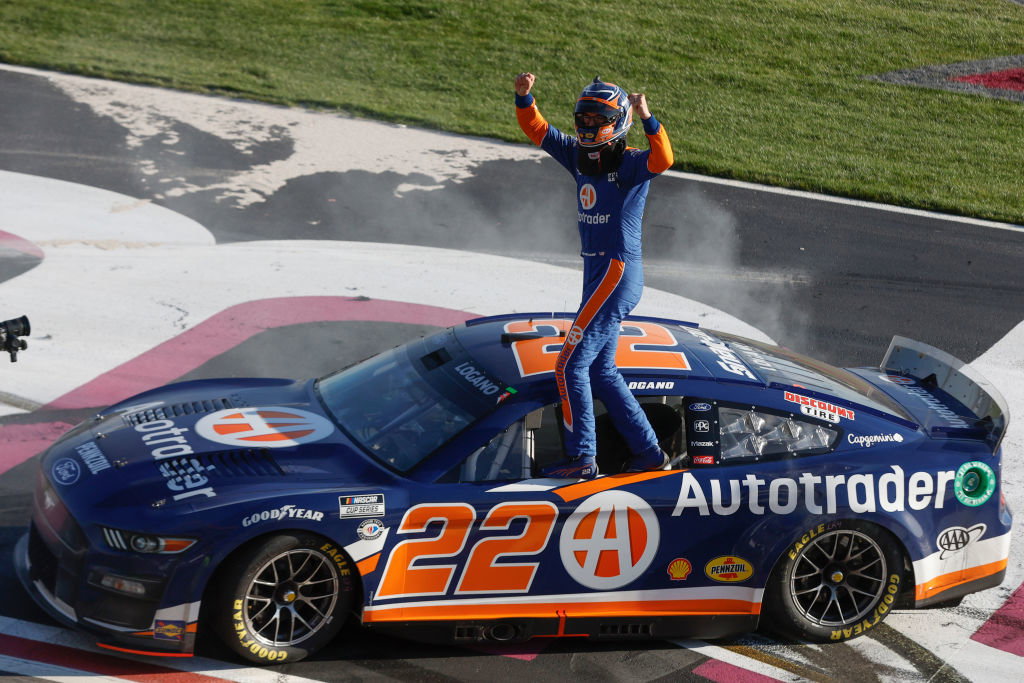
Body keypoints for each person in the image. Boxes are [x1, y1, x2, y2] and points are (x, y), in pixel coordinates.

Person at [514, 72, 674, 479]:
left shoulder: (634, 163)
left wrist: (648, 117)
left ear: (617, 121)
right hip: (599, 276)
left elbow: (665, 160)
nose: (585, 127)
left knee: (568, 367)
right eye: (582, 119)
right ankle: (651, 455)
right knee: (601, 371)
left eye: (595, 120)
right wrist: (524, 97)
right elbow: (539, 131)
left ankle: (582, 460)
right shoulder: (579, 158)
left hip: (615, 276)